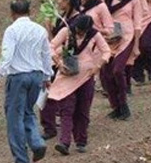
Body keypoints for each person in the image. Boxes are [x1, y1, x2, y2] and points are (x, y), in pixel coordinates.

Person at [0, 0, 52, 163]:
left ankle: (21, 158)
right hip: (36, 75)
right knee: (28, 111)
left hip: (18, 76)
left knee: (14, 116)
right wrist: (47, 76)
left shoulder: (12, 30)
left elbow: (7, 55)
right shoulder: (40, 30)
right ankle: (37, 142)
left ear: (12, 13)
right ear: (29, 11)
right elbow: (46, 54)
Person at [47, 15, 110, 155]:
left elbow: (106, 51)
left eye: (83, 31)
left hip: (86, 77)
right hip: (67, 75)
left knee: (83, 109)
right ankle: (64, 142)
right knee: (66, 109)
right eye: (78, 30)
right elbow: (51, 46)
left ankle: (81, 141)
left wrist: (98, 66)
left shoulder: (94, 35)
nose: (80, 34)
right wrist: (58, 62)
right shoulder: (66, 31)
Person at [101, 0, 147, 120]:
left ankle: (124, 104)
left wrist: (136, 45)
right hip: (109, 38)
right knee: (106, 75)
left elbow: (138, 24)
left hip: (126, 38)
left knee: (117, 70)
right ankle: (115, 106)